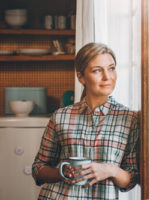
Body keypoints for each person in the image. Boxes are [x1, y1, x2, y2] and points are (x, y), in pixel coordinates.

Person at [32, 42, 139, 199]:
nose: (107, 77)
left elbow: (131, 179)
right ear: (81, 77)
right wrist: (61, 172)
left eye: (111, 68)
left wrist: (110, 170)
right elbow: (38, 169)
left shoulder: (131, 119)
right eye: (97, 70)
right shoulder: (60, 116)